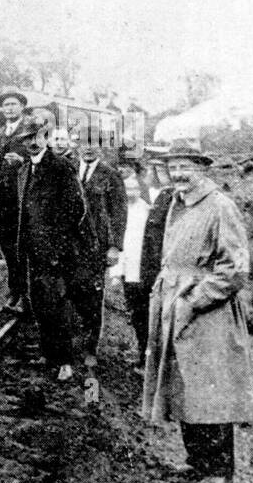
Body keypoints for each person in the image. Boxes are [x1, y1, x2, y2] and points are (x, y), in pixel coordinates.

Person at [142, 145, 253, 483]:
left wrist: (195, 300)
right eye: (173, 167)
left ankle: (220, 471)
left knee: (212, 387)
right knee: (183, 384)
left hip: (208, 311)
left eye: (185, 167)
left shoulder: (220, 205)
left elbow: (235, 268)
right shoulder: (177, 202)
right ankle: (197, 463)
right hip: (175, 302)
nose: (178, 173)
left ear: (201, 169)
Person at [15, 118, 89, 382]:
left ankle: (65, 360)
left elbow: (76, 209)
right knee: (38, 303)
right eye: (27, 139)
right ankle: (49, 353)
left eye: (36, 137)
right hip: (32, 251)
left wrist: (58, 246)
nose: (32, 143)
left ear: (45, 137)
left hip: (56, 252)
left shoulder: (60, 166)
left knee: (57, 304)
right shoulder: (24, 171)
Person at [70, 142, 127, 366]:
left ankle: (90, 348)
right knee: (71, 293)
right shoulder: (70, 169)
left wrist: (114, 247)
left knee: (92, 297)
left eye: (93, 145)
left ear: (101, 149)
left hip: (96, 247)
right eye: (84, 144)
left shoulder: (110, 175)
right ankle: (73, 344)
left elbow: (119, 213)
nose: (88, 149)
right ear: (77, 148)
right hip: (71, 246)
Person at [0, 87, 33, 314]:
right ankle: (15, 290)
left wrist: (23, 161)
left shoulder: (31, 129)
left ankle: (26, 294)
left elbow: (40, 158)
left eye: (13, 104)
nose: (9, 108)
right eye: (6, 105)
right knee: (7, 246)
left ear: (22, 107)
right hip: (1, 200)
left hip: (23, 199)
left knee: (22, 246)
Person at [110, 165, 160, 364]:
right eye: (127, 189)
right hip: (127, 270)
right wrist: (115, 272)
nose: (131, 192)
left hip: (145, 271)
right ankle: (142, 353)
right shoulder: (117, 212)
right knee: (136, 314)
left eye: (134, 188)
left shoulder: (147, 211)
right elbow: (115, 244)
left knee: (148, 314)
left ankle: (150, 356)